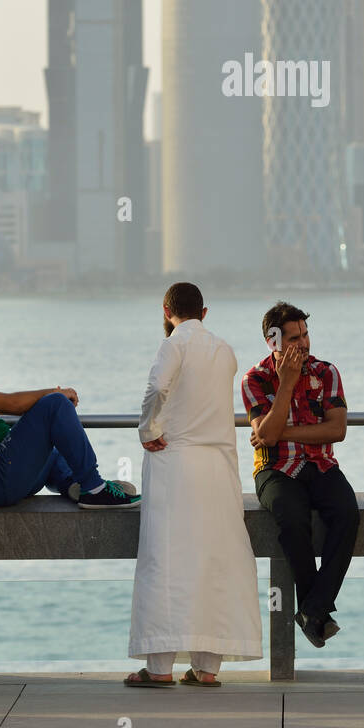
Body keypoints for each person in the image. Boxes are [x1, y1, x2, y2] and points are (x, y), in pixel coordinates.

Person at [125, 283, 262, 687]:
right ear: (204, 312)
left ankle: (159, 668)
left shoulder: (173, 344)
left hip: (176, 462)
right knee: (216, 560)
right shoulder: (225, 351)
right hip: (219, 465)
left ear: (167, 310)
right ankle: (207, 668)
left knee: (166, 560)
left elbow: (158, 387)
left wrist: (148, 429)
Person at [242, 301, 359, 649]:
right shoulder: (255, 379)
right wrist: (287, 383)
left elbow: (336, 431)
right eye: (294, 338)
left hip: (320, 463)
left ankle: (312, 609)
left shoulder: (326, 372)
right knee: (291, 519)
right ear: (273, 341)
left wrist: (277, 432)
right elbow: (266, 436)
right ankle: (316, 613)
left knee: (348, 514)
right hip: (274, 468)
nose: (304, 344)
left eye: (306, 334)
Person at [0, 323, 138, 510]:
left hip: (5, 478)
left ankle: (72, 484)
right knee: (55, 404)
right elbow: (11, 403)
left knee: (53, 448)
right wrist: (54, 393)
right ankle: (94, 488)